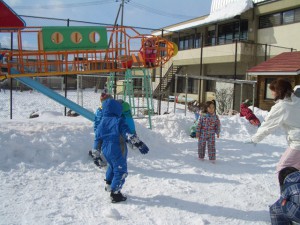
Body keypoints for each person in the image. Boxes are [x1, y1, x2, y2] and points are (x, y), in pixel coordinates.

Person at [95, 98, 149, 203]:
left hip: (105, 149)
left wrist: (96, 151)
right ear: (117, 109)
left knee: (111, 166)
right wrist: (138, 143)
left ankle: (109, 184)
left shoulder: (102, 122)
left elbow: (97, 137)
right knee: (121, 170)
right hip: (117, 148)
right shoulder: (119, 121)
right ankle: (115, 194)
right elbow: (127, 134)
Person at [249, 78, 300, 173]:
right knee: (295, 169)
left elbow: (268, 125)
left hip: (298, 143)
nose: (271, 93)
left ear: (279, 91)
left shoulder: (281, 107)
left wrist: (255, 138)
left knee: (283, 168)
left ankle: (289, 188)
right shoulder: (298, 101)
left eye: (273, 91)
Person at [89, 90, 112, 167]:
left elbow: (96, 120)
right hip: (105, 130)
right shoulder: (107, 110)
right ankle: (100, 157)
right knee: (105, 143)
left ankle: (95, 153)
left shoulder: (99, 109)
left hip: (99, 129)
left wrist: (95, 129)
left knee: (98, 142)